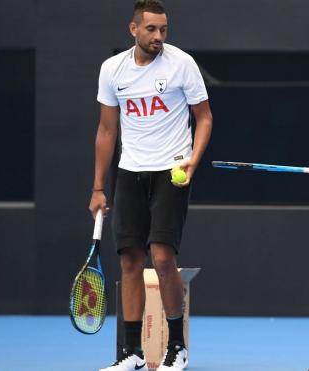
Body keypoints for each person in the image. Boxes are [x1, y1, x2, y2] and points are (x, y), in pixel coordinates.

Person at [88, 1, 212, 370]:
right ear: (134, 29)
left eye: (164, 30)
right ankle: (132, 354)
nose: (158, 36)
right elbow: (107, 129)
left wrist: (193, 159)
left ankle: (177, 347)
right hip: (129, 172)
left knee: (161, 257)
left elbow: (203, 118)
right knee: (129, 261)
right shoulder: (112, 70)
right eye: (151, 30)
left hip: (171, 171)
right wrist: (97, 187)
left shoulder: (181, 64)